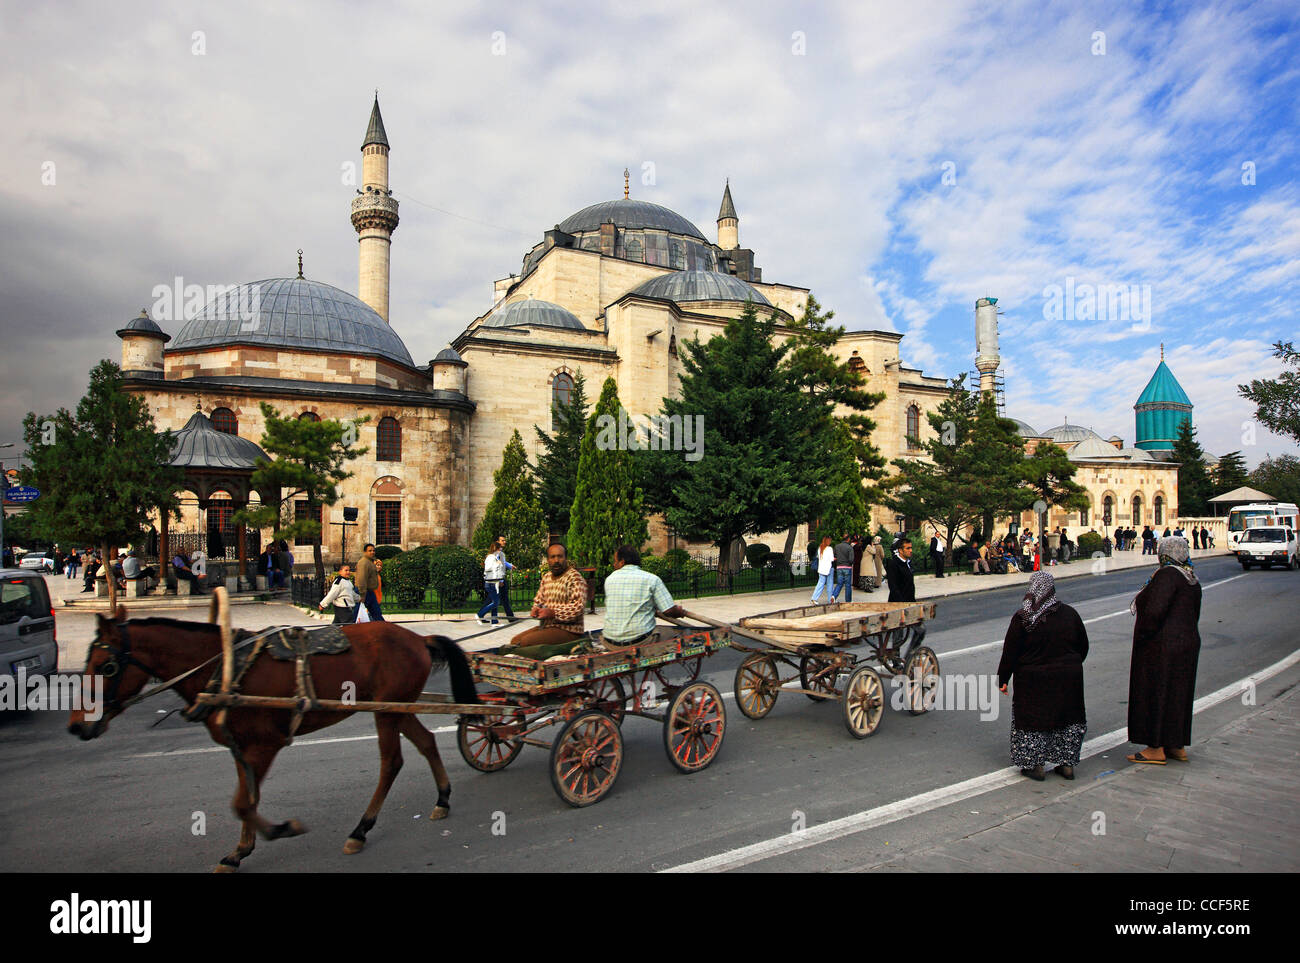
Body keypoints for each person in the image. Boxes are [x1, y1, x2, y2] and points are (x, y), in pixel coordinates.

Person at [997, 571, 1089, 780]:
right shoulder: (1070, 614)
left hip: (1033, 680)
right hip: (1069, 677)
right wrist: (1069, 666)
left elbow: (1010, 652)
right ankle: (1066, 764)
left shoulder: (1023, 618)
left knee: (1033, 720)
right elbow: (1083, 646)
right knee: (1067, 717)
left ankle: (1035, 765)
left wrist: (1003, 679)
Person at [1126, 536, 1202, 765]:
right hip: (1186, 644)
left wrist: (1144, 635)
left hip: (1162, 646)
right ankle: (1176, 744)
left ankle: (1155, 748)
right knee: (1177, 694)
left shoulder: (1168, 575)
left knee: (1156, 693)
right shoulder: (1191, 577)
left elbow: (1154, 611)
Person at [498, 543, 588, 659]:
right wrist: (536, 609)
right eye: (553, 557)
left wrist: (552, 613)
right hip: (547, 627)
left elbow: (577, 608)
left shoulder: (575, 578)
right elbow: (539, 600)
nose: (556, 560)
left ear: (566, 558)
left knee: (526, 642)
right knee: (515, 641)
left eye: (560, 556)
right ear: (548, 560)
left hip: (569, 631)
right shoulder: (546, 577)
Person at [601, 544, 685, 646]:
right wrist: (679, 612)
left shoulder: (609, 579)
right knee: (672, 633)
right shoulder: (652, 579)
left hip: (610, 642)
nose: (614, 565)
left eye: (615, 561)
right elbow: (669, 611)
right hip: (640, 642)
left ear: (622, 562)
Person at [476, 544, 506, 626]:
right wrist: (497, 564)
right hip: (490, 583)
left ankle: (494, 621)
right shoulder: (491, 557)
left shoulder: (494, 557)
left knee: (494, 602)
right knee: (496, 603)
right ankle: (480, 614)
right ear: (495, 549)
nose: (500, 551)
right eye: (499, 549)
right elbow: (488, 568)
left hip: (494, 582)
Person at [354, 543, 384, 621]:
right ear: (365, 552)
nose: (372, 552)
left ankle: (383, 628)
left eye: (373, 550)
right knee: (357, 614)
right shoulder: (363, 563)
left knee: (376, 613)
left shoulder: (370, 562)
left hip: (370, 592)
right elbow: (361, 579)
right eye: (370, 551)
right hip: (363, 591)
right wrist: (362, 595)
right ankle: (348, 629)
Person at [491, 535, 517, 621]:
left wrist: (510, 565)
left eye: (504, 540)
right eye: (502, 540)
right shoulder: (498, 552)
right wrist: (501, 580)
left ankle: (510, 617)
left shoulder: (499, 552)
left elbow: (503, 562)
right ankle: (482, 614)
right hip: (499, 579)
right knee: (499, 599)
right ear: (498, 542)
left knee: (499, 599)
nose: (504, 542)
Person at [830, 534, 855, 602]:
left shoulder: (837, 546)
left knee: (839, 583)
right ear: (848, 539)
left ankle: (834, 596)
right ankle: (848, 601)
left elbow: (834, 557)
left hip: (839, 567)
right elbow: (851, 559)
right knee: (848, 585)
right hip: (847, 567)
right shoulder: (850, 548)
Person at [809, 535, 834, 604]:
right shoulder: (829, 549)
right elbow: (831, 559)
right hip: (828, 568)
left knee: (820, 584)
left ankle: (814, 598)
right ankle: (830, 599)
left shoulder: (820, 548)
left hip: (821, 569)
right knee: (830, 585)